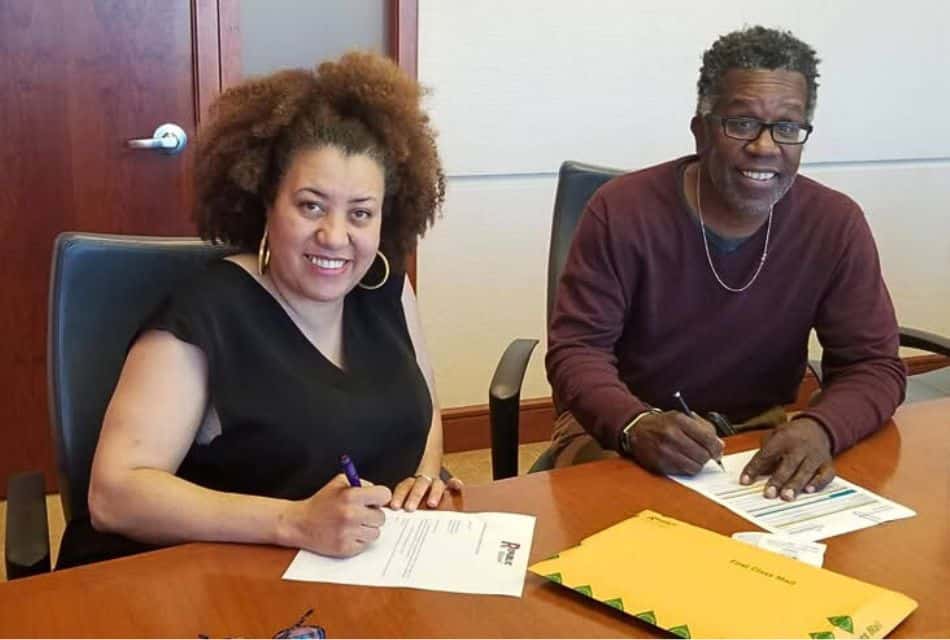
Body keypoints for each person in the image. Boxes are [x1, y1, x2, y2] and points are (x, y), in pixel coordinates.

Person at [60, 52, 460, 569]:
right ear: (266, 200)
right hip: (196, 580)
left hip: (354, 574)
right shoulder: (206, 314)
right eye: (311, 205)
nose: (335, 236)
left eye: (360, 213)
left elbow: (421, 410)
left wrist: (424, 476)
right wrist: (292, 521)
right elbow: (115, 495)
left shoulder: (386, 286)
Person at [545, 26, 906, 501]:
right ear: (701, 130)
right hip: (622, 427)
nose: (765, 146)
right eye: (741, 123)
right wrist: (634, 423)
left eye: (788, 127)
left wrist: (821, 427)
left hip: (759, 432)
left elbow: (874, 365)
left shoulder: (835, 223)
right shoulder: (620, 210)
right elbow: (576, 350)